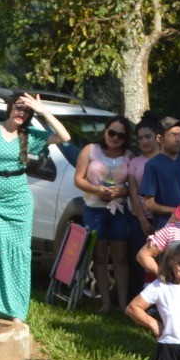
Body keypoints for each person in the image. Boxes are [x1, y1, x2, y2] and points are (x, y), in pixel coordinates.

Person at [0, 92, 71, 321]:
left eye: (26, 111)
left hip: (19, 203)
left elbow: (64, 136)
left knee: (17, 256)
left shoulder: (29, 135)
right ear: (10, 108)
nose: (21, 113)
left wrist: (43, 111)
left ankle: (14, 309)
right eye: (18, 108)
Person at [75, 115, 135, 312]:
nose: (115, 138)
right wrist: (96, 190)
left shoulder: (129, 155)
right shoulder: (90, 150)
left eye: (121, 135)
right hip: (94, 209)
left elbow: (133, 187)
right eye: (112, 132)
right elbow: (78, 180)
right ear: (105, 131)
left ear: (126, 139)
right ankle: (106, 302)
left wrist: (122, 191)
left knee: (121, 257)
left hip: (119, 209)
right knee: (99, 257)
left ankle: (124, 303)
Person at [139, 117, 180, 227]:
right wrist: (176, 211)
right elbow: (149, 204)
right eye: (173, 135)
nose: (178, 139)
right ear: (159, 139)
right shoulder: (152, 165)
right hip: (167, 227)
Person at [127, 119, 162, 240]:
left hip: (165, 218)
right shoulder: (134, 162)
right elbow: (133, 193)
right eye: (140, 138)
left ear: (157, 137)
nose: (144, 141)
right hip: (140, 219)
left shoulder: (167, 159)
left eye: (148, 137)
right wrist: (143, 221)